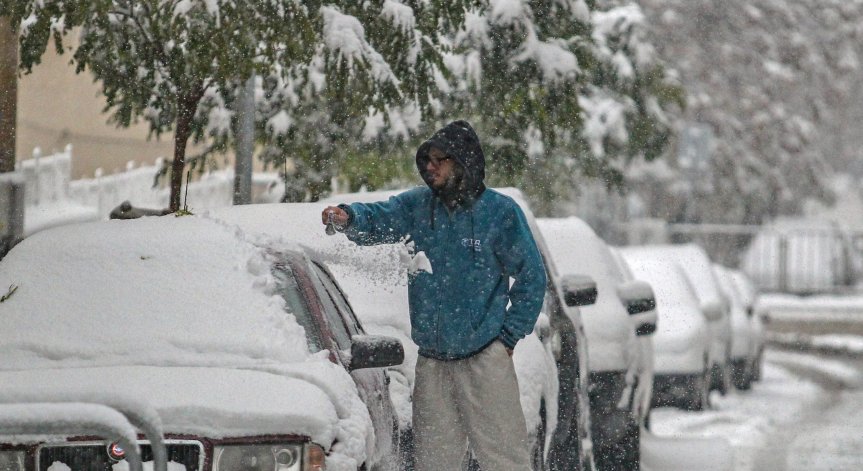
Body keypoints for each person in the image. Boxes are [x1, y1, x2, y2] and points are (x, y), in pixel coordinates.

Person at [321, 120, 546, 471]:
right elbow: (381, 217)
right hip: (433, 364)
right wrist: (349, 217)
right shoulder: (418, 207)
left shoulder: (499, 213)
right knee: (433, 464)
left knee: (505, 461)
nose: (430, 166)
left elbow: (533, 278)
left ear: (463, 163)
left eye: (440, 159)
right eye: (428, 159)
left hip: (485, 361)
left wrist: (507, 338)